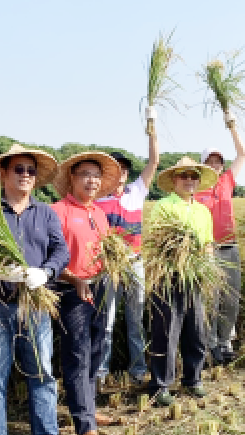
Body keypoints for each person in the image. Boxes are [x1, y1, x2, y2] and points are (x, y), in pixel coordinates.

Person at [0, 144, 74, 435]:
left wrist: (46, 272)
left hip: (35, 306)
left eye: (30, 170)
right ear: (4, 173)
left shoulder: (45, 213)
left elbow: (60, 251)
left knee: (42, 373)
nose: (26, 175)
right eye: (19, 169)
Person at [50, 151, 121, 435]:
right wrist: (74, 279)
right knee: (77, 355)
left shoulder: (99, 213)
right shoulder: (58, 211)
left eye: (96, 175)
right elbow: (50, 257)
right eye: (85, 175)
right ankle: (86, 426)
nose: (92, 181)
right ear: (72, 178)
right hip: (71, 291)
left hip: (100, 287)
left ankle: (88, 408)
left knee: (95, 350)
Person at [94, 109, 161, 385]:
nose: (121, 173)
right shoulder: (97, 197)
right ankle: (100, 373)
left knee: (136, 320)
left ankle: (137, 370)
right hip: (108, 266)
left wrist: (151, 125)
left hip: (135, 262)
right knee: (106, 321)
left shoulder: (137, 191)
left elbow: (154, 160)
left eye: (124, 169)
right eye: (116, 169)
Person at [146, 157, 218, 406]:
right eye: (184, 176)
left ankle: (193, 379)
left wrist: (207, 266)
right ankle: (160, 385)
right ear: (175, 180)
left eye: (194, 176)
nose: (189, 180)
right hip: (169, 276)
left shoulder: (203, 211)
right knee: (166, 332)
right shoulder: (164, 206)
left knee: (196, 330)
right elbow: (159, 241)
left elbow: (207, 243)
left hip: (195, 276)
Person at [194, 110, 245, 365]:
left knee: (231, 297)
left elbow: (243, 154)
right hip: (207, 250)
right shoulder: (194, 186)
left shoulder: (227, 181)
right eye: (210, 161)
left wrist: (232, 125)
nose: (215, 165)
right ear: (203, 164)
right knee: (211, 299)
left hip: (230, 247)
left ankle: (225, 342)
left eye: (218, 161)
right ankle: (210, 344)